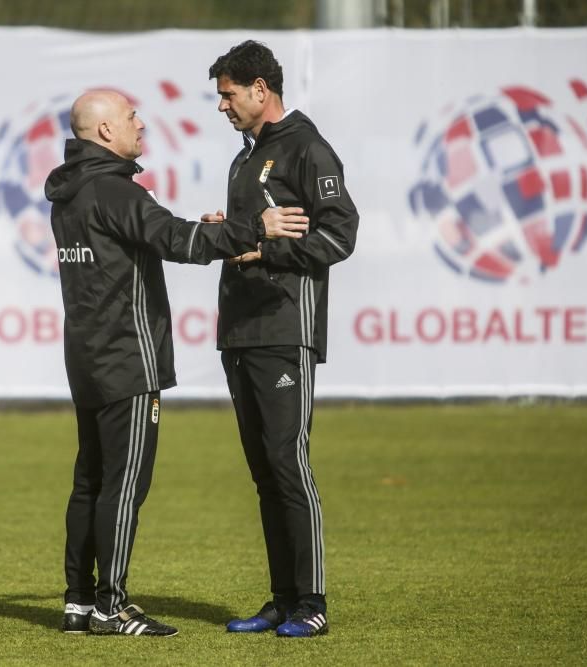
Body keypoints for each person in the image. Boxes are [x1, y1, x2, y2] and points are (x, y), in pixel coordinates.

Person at [45, 89, 309, 637]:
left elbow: (166, 234)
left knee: (90, 482)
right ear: (105, 133)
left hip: (87, 358)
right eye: (131, 117)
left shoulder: (69, 194)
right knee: (124, 486)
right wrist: (255, 228)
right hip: (128, 362)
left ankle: (78, 600)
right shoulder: (114, 191)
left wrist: (217, 231)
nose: (141, 125)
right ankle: (111, 606)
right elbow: (176, 239)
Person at [203, 41, 360, 638]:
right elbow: (252, 236)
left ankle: (312, 602)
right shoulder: (246, 157)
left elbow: (340, 235)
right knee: (264, 470)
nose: (222, 106)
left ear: (260, 90)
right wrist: (229, 232)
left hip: (284, 329)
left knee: (288, 464)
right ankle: (281, 598)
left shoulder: (306, 147)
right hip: (240, 329)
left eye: (228, 94)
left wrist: (265, 247)